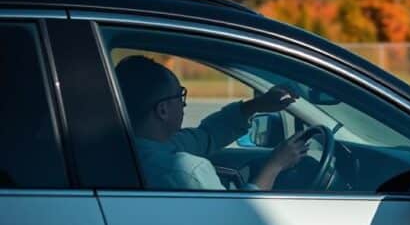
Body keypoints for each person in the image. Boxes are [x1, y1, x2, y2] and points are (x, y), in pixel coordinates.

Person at [115, 55, 308, 190]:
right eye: (179, 96)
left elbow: (207, 136)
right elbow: (237, 219)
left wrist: (255, 105)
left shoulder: (129, 150)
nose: (184, 105)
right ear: (163, 110)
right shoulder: (184, 171)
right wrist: (275, 165)